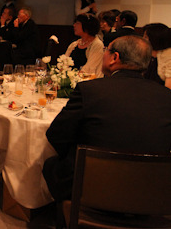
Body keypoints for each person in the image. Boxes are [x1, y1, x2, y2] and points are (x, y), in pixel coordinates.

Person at [42, 35, 171, 201]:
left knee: (52, 165)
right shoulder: (166, 97)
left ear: (114, 58)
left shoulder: (90, 90)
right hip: (151, 190)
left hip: (92, 187)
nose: (103, 54)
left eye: (106, 51)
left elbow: (56, 134)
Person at [143, 23, 171, 88]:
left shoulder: (168, 58)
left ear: (155, 39)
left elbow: (168, 89)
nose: (142, 40)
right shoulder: (151, 57)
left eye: (145, 37)